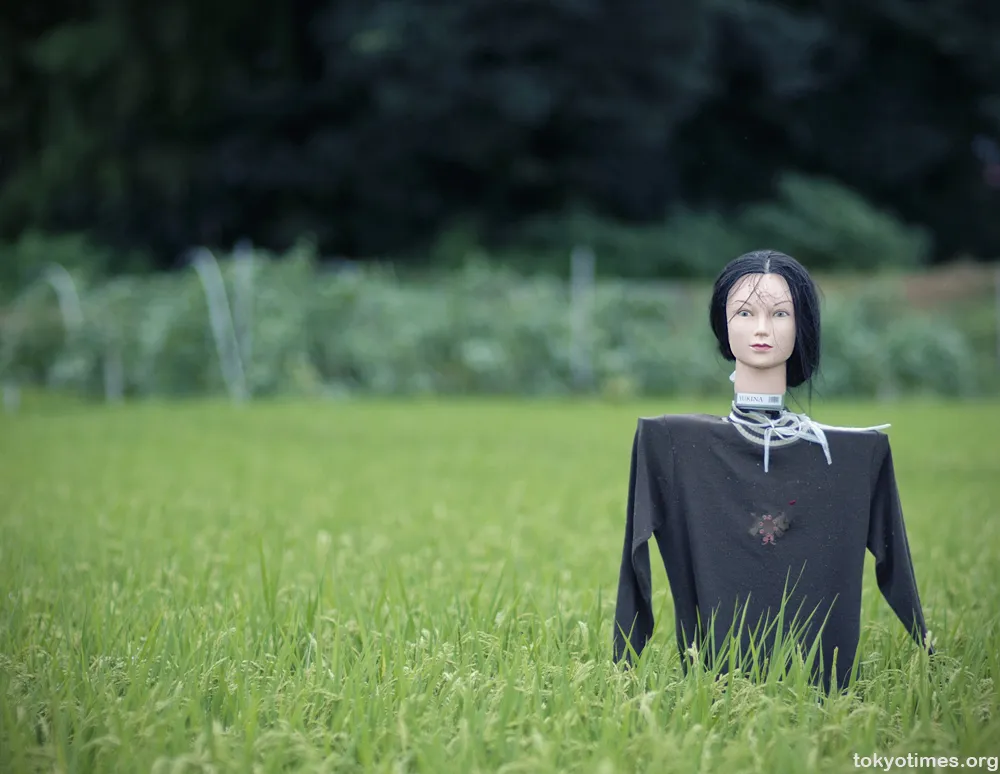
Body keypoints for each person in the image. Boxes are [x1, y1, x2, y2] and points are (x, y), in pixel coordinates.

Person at [612, 249, 934, 694]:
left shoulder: (853, 456)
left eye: (780, 313)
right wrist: (624, 658)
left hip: (823, 694)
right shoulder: (671, 444)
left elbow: (894, 559)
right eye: (744, 312)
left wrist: (927, 648)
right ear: (723, 323)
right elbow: (634, 556)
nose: (761, 328)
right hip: (714, 691)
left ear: (803, 326)